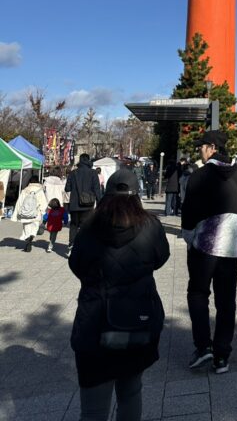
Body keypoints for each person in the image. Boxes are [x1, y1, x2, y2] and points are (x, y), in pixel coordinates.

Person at [69, 168, 170, 421]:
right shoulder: (151, 225)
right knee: (131, 392)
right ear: (137, 195)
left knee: (92, 410)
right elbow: (161, 257)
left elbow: (76, 264)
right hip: (137, 320)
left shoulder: (89, 226)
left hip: (95, 325)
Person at [182, 130, 237, 374]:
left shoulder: (200, 175)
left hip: (204, 245)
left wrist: (189, 237)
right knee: (226, 301)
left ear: (211, 147)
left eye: (202, 146)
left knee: (198, 293)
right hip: (230, 246)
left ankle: (203, 347)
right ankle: (222, 355)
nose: (199, 150)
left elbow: (188, 212)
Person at [65, 154, 102, 254]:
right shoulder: (93, 173)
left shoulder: (73, 173)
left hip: (74, 204)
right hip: (88, 205)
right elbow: (97, 189)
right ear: (88, 160)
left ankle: (71, 245)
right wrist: (100, 203)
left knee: (73, 225)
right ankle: (84, 247)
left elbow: (67, 188)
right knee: (86, 227)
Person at [13, 174, 47, 251]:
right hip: (36, 213)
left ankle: (28, 240)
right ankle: (32, 236)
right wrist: (43, 212)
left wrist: (17, 213)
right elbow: (43, 203)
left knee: (27, 228)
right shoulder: (40, 190)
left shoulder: (25, 190)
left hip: (25, 213)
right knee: (35, 227)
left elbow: (20, 202)